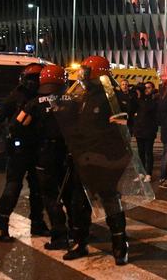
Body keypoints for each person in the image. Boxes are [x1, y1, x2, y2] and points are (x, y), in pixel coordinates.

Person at [56, 55, 129, 265]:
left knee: (110, 201)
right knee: (79, 203)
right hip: (83, 157)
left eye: (86, 72)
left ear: (97, 74)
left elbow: (120, 127)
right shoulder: (83, 96)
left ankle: (119, 243)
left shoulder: (112, 98)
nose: (82, 76)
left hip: (105, 159)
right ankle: (80, 242)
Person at [0, 63, 50, 241]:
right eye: (31, 79)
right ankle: (1, 225)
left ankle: (38, 223)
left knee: (38, 189)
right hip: (20, 149)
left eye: (37, 79)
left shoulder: (46, 95)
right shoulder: (16, 96)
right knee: (13, 186)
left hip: (40, 148)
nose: (34, 83)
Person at [17, 64, 73, 250]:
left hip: (45, 155)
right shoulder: (73, 100)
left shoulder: (34, 103)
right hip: (68, 154)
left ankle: (59, 236)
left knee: (50, 196)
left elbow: (18, 126)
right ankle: (78, 230)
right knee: (71, 194)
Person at [132, 82, 158, 181]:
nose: (146, 90)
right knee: (140, 152)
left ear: (152, 89)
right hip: (139, 130)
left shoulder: (154, 99)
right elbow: (131, 108)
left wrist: (140, 98)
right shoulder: (139, 99)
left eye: (148, 88)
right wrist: (137, 95)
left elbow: (148, 108)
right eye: (145, 88)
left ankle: (148, 173)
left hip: (149, 130)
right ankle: (141, 173)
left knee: (148, 152)